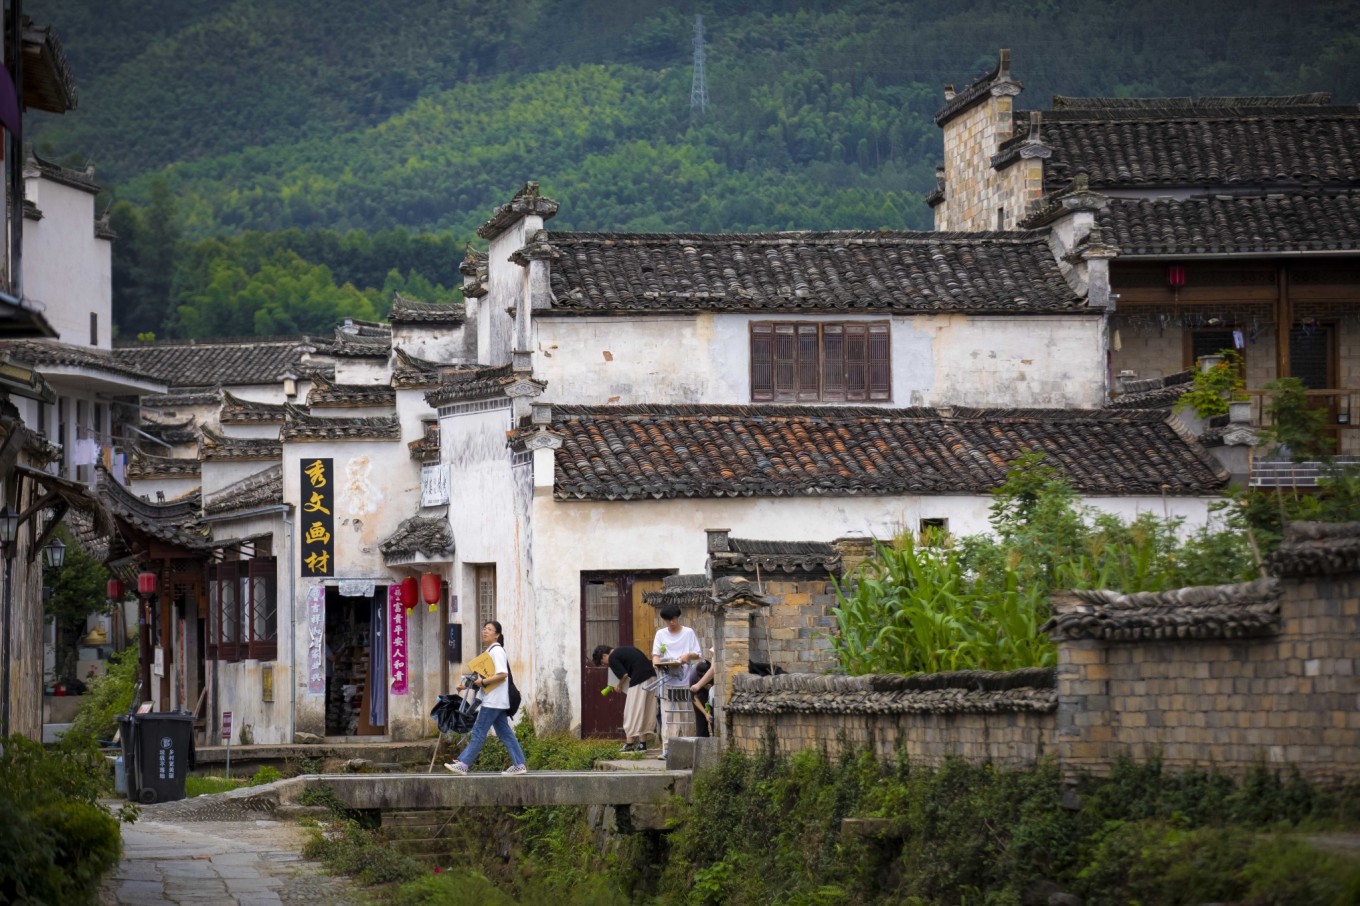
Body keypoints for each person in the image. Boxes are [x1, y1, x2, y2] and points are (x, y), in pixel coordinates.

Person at [444, 621, 528, 775]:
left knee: (479, 731)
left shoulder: (497, 651)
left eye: (489, 629)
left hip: (494, 701)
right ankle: (519, 764)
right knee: (504, 733)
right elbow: (489, 677)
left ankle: (464, 764)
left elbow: (502, 675)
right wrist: (469, 685)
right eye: (484, 629)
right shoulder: (491, 651)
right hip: (496, 700)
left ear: (497, 635)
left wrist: (481, 682)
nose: (485, 631)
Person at [651, 604, 704, 758]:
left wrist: (687, 656)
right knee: (668, 714)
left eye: (673, 620)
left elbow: (697, 654)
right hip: (667, 680)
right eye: (667, 621)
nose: (671, 623)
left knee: (685, 714)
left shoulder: (688, 633)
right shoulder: (661, 634)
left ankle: (688, 747)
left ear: (678, 617)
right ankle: (667, 748)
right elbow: (656, 654)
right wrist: (656, 663)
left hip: (686, 680)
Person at [592, 644, 658, 753]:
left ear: (604, 655)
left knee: (630, 711)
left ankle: (629, 744)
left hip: (640, 680)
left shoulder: (612, 657)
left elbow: (624, 675)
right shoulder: (624, 649)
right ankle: (642, 744)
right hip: (652, 677)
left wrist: (619, 685)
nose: (606, 665)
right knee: (645, 711)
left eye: (603, 663)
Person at [690, 655, 715, 737]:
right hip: (700, 697)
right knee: (701, 727)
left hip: (713, 696)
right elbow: (694, 698)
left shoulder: (714, 673)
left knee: (715, 722)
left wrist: (709, 687)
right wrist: (705, 714)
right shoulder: (693, 676)